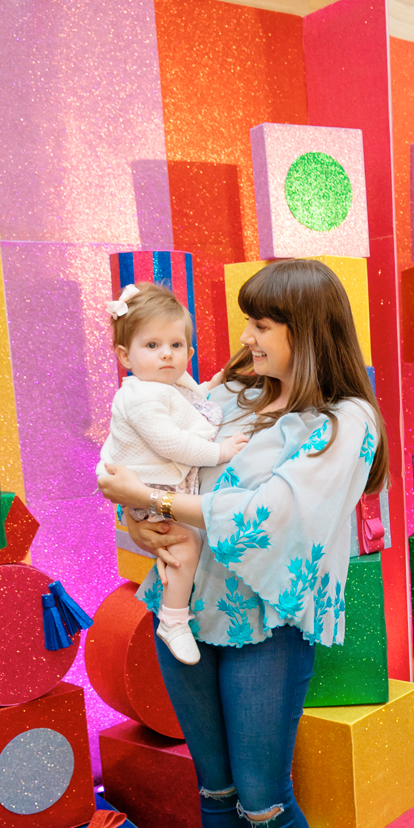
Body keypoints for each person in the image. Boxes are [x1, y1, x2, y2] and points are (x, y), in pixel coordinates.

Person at [98, 259, 389, 828]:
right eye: (249, 323)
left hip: (268, 627)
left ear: (305, 330)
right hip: (184, 614)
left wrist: (148, 497)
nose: (247, 337)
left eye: (262, 324)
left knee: (262, 796)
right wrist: (136, 510)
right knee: (217, 789)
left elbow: (268, 515)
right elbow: (148, 475)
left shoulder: (344, 424)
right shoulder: (220, 395)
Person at [99, 281, 248, 665]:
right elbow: (172, 443)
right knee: (186, 544)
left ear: (188, 351)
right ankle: (173, 618)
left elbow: (188, 404)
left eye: (176, 346)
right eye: (152, 346)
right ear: (124, 356)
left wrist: (212, 385)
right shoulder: (139, 396)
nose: (166, 355)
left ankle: (177, 601)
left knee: (182, 543)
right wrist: (220, 451)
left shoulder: (166, 383)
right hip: (148, 485)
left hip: (160, 486)